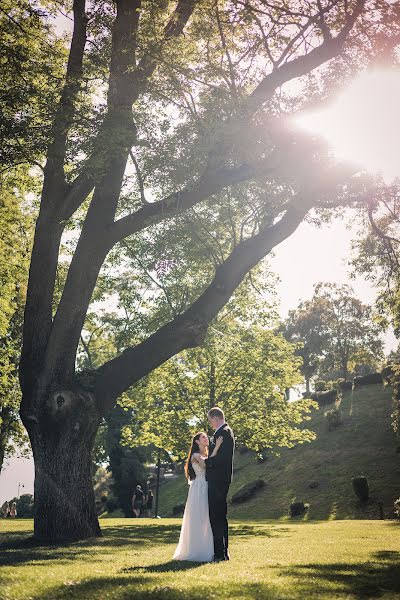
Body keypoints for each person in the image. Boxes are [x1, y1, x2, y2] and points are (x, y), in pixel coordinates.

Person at [173, 431, 223, 562]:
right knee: (199, 516)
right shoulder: (195, 455)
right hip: (199, 487)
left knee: (206, 517)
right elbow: (206, 465)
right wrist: (217, 447)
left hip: (206, 485)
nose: (206, 439)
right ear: (197, 442)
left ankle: (208, 548)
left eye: (206, 437)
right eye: (203, 437)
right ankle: (197, 550)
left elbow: (210, 461)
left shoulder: (206, 454)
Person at [205, 407, 235, 562]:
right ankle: (223, 552)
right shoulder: (225, 432)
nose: (211, 424)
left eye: (210, 421)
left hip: (217, 480)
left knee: (216, 516)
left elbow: (220, 459)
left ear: (216, 418)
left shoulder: (223, 433)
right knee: (220, 516)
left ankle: (219, 554)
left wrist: (207, 462)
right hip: (221, 479)